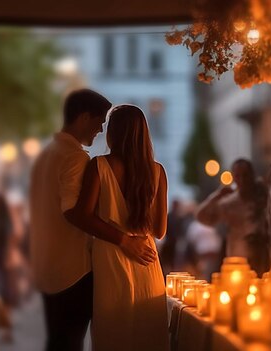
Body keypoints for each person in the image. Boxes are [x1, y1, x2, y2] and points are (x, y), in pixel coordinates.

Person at [30, 90, 155, 351]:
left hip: (46, 266)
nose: (100, 130)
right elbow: (73, 212)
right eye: (99, 122)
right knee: (71, 342)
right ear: (84, 117)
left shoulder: (46, 154)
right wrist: (124, 240)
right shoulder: (76, 158)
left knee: (58, 341)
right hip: (72, 269)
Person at [66, 104, 169, 351]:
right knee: (148, 336)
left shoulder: (99, 166)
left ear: (114, 132)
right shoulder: (157, 172)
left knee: (113, 334)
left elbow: (83, 215)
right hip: (147, 261)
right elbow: (159, 230)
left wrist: (122, 240)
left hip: (111, 258)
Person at [197, 159, 269, 275]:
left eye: (245, 175)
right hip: (238, 264)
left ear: (252, 175)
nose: (242, 180)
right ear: (234, 178)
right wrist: (216, 196)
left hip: (263, 262)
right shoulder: (230, 203)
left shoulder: (264, 198)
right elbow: (201, 216)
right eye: (238, 176)